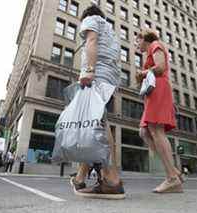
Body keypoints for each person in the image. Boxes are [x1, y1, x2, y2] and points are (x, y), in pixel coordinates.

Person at [69, 4, 125, 199]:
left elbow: (91, 40)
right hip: (109, 77)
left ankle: (111, 180)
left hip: (98, 75)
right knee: (94, 123)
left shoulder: (91, 21)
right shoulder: (110, 31)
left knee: (99, 124)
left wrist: (90, 70)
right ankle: (81, 177)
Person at [136, 30, 183, 193]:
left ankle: (172, 178)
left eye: (137, 40)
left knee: (156, 130)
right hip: (153, 92)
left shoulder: (155, 45)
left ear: (144, 39)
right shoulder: (150, 51)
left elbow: (161, 67)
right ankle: (174, 170)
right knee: (144, 132)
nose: (136, 44)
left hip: (158, 88)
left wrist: (142, 73)